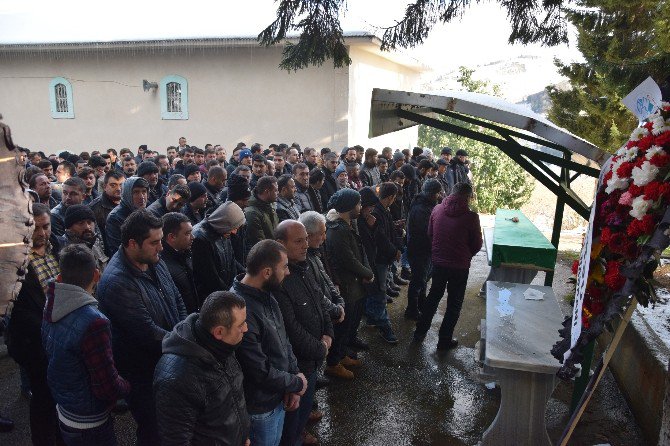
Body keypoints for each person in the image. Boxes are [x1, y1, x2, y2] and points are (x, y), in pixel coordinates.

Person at [97, 210, 187, 445]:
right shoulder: (117, 281)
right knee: (153, 430)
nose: (161, 248)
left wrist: (184, 331)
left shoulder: (153, 261)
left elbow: (176, 298)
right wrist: (187, 346)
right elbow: (147, 332)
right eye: (154, 242)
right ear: (132, 244)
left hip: (167, 358)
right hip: (143, 373)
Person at [42, 244, 130, 446]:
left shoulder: (52, 300)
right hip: (90, 422)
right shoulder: (94, 322)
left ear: (61, 276)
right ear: (97, 275)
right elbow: (106, 384)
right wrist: (128, 386)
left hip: (66, 407)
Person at [231, 240, 307, 446]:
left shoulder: (268, 296)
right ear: (266, 272)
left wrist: (294, 379)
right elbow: (258, 370)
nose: (288, 272)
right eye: (284, 267)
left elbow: (284, 341)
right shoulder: (239, 310)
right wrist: (297, 383)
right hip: (261, 408)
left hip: (278, 395)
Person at [154, 292, 251, 446]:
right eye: (241, 325)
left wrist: (241, 436)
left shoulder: (222, 346)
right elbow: (176, 441)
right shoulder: (177, 378)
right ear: (219, 332)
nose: (246, 328)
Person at [6, 203, 63, 446]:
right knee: (43, 398)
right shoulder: (12, 261)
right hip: (34, 343)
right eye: (35, 228)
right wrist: (50, 325)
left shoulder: (57, 246)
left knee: (62, 395)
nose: (41, 233)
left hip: (61, 335)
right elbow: (16, 310)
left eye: (46, 226)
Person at [274, 221, 333, 446]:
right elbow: (291, 329)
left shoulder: (304, 266)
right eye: (299, 241)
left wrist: (328, 332)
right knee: (292, 421)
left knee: (304, 411)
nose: (306, 245)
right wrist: (321, 348)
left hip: (313, 360)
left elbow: (319, 300)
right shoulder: (281, 279)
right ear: (281, 244)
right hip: (299, 366)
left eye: (307, 239)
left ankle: (299, 433)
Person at [414, 183, 482, 350]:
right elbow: (477, 244)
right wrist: (466, 255)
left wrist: (439, 252)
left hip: (438, 263)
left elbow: (430, 234)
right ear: (467, 197)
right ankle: (444, 340)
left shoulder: (436, 209)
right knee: (454, 303)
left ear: (452, 193)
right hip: (459, 266)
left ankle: (419, 333)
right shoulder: (471, 217)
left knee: (433, 297)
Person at [324, 189, 374, 379]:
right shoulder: (337, 231)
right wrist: (367, 273)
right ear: (350, 206)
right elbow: (348, 260)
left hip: (355, 284)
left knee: (351, 323)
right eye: (358, 204)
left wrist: (366, 272)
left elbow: (359, 253)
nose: (361, 207)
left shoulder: (348, 224)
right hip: (347, 285)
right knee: (343, 326)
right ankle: (333, 363)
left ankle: (342, 354)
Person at [366, 183, 400, 343]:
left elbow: (389, 232)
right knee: (380, 293)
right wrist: (394, 251)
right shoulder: (377, 212)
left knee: (379, 289)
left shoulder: (383, 210)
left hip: (384, 257)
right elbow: (380, 238)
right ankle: (384, 326)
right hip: (379, 259)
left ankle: (373, 318)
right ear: (390, 197)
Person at [405, 179, 443, 320]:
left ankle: (421, 303)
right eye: (438, 193)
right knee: (418, 280)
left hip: (424, 250)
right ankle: (412, 310)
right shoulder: (421, 208)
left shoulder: (426, 204)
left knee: (423, 279)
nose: (439, 196)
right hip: (419, 250)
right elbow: (427, 232)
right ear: (432, 193)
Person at [192, 201, 246, 300]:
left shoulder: (223, 230)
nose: (234, 232)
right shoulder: (200, 239)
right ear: (224, 222)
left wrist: (247, 275)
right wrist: (231, 296)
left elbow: (231, 259)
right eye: (233, 227)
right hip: (215, 297)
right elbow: (210, 279)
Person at [300, 211, 345, 324]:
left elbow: (326, 279)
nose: (324, 237)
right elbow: (317, 293)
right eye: (321, 233)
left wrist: (339, 302)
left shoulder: (314, 252)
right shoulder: (303, 260)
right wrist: (336, 310)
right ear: (308, 235)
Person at [161, 212, 199, 314]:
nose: (193, 237)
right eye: (187, 233)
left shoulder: (185, 253)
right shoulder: (163, 265)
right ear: (172, 237)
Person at [105, 177, 149, 257]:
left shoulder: (145, 212)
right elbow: (117, 250)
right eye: (136, 192)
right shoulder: (115, 217)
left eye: (144, 192)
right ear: (127, 194)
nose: (142, 197)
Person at [59, 204, 109, 274]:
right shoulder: (64, 249)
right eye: (81, 223)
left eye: (89, 222)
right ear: (69, 228)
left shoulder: (95, 242)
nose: (87, 227)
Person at [244, 175, 279, 257]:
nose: (278, 193)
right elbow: (259, 244)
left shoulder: (270, 205)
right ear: (267, 191)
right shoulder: (252, 213)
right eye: (276, 190)